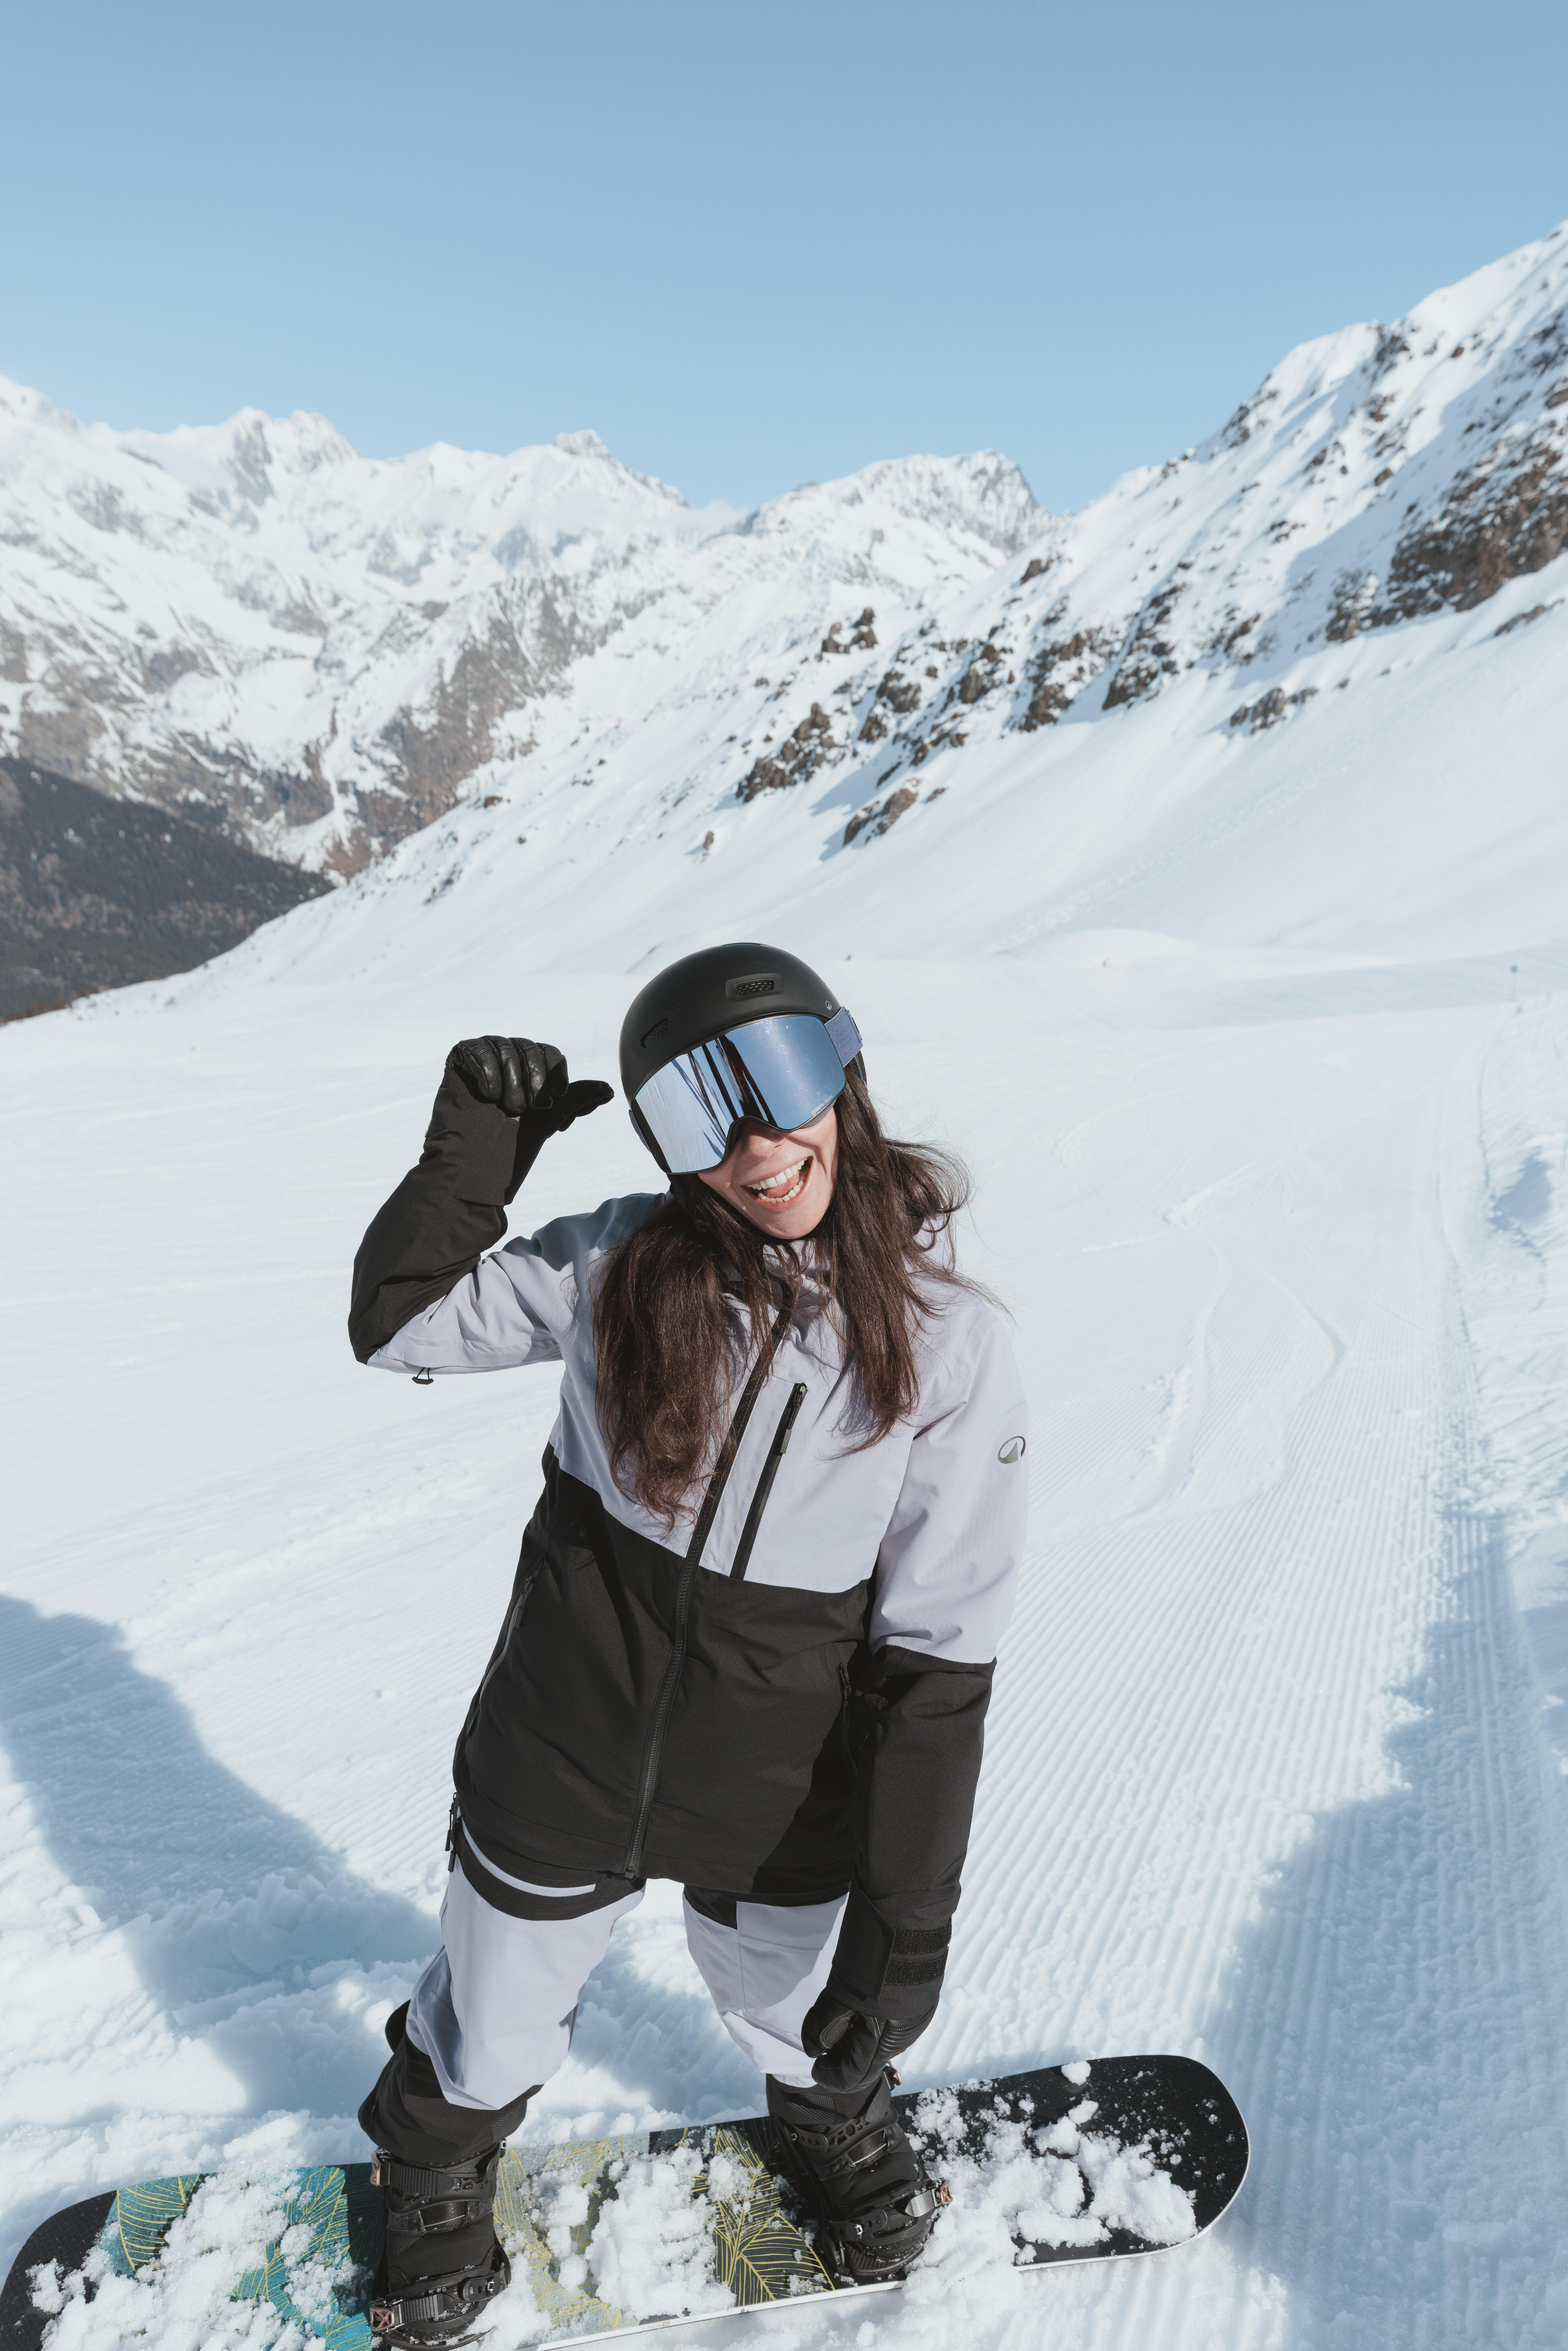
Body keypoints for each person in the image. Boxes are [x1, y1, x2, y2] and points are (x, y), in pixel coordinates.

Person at [348, 941, 1028, 2346]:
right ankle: (431, 2168)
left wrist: (906, 1918)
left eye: (778, 1078)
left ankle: (832, 2119)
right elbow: (396, 1322)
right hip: (563, 1748)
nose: (755, 1145)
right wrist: (474, 1155)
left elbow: (939, 1659)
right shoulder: (610, 1265)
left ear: (843, 1070)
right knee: (491, 2024)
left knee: (806, 2012)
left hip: (781, 1786)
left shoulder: (949, 1349)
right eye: (694, 1112)